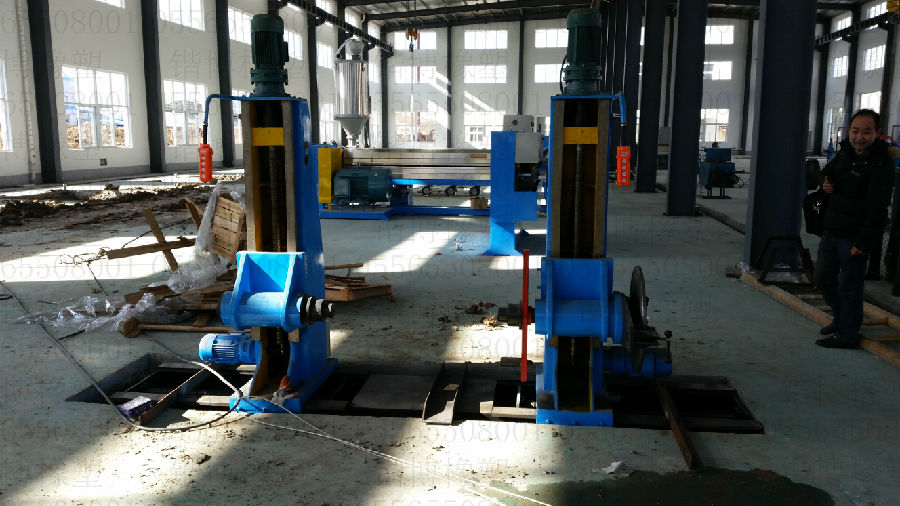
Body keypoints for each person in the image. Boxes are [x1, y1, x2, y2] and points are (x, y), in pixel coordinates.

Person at [813, 109, 895, 348]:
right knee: (822, 277)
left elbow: (878, 208)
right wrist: (826, 182)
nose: (859, 137)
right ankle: (840, 318)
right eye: (855, 131)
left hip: (854, 236)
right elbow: (828, 171)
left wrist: (863, 242)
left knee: (850, 286)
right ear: (849, 130)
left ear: (877, 133)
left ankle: (848, 335)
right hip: (832, 228)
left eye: (866, 132)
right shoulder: (845, 152)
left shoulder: (881, 163)